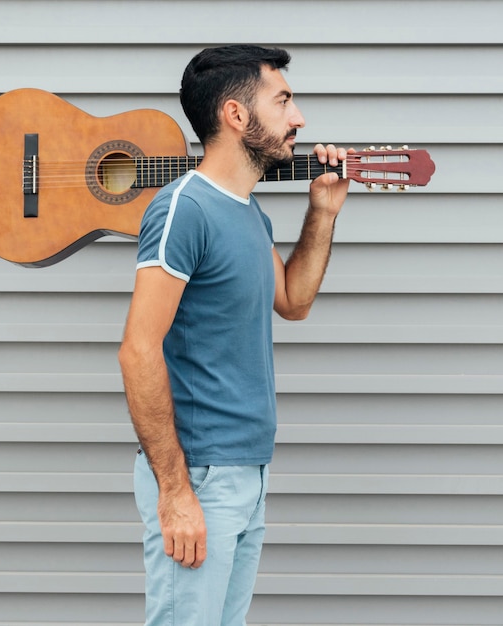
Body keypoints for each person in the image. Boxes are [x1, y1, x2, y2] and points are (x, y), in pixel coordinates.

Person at [118, 44, 354, 626]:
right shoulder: (184, 209)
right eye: (284, 100)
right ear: (236, 116)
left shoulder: (250, 214)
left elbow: (293, 302)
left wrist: (322, 212)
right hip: (198, 473)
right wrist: (175, 493)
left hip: (246, 470)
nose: (298, 118)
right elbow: (137, 350)